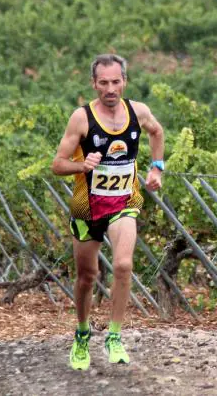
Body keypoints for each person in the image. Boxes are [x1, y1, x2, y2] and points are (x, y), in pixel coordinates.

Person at [52, 54, 164, 370]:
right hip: (87, 209)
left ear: (124, 81)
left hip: (124, 204)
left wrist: (157, 168)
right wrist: (80, 165)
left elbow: (157, 133)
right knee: (87, 276)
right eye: (104, 83)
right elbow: (57, 164)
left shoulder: (138, 112)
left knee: (124, 264)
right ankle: (83, 333)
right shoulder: (81, 118)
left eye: (116, 82)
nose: (110, 89)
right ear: (94, 84)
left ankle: (114, 335)